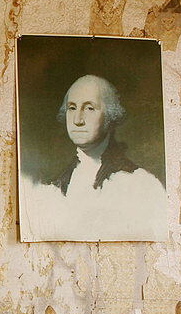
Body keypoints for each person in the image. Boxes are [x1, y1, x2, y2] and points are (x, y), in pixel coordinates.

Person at [20, 74, 167, 241]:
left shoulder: (141, 184)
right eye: (72, 108)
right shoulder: (52, 187)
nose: (77, 120)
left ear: (110, 115)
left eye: (89, 108)